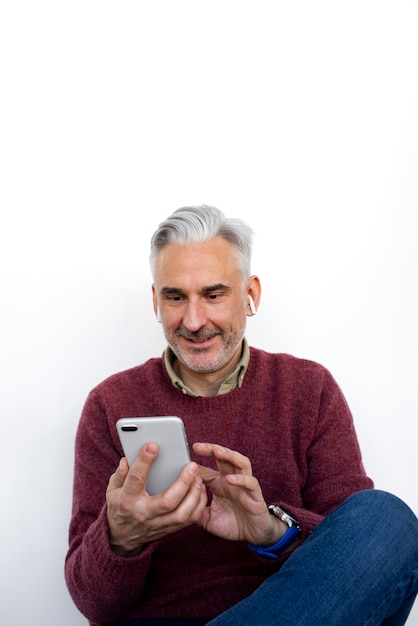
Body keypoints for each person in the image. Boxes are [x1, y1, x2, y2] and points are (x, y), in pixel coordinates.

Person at [65, 205, 418, 626]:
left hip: (300, 612)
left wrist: (270, 530)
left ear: (250, 295)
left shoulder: (309, 389)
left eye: (213, 295)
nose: (194, 321)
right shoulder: (110, 404)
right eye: (175, 297)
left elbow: (363, 555)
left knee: (386, 519)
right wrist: (122, 537)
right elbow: (94, 605)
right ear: (156, 301)